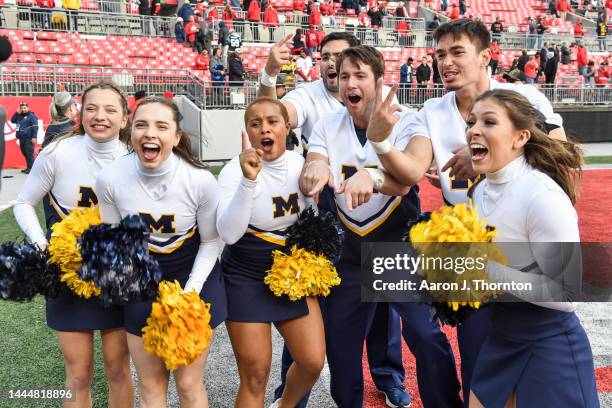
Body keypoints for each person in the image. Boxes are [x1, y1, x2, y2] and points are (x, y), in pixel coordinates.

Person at [365, 18, 567, 404]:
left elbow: (563, 158)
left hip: (518, 243)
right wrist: (380, 143)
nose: (446, 62)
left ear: (486, 56)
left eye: (458, 52)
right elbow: (410, 170)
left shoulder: (523, 97)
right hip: (467, 251)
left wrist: (491, 153)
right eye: (440, 54)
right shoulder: (432, 109)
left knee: (527, 369)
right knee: (478, 363)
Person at [257, 31, 413, 408]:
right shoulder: (310, 99)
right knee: (315, 307)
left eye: (345, 61)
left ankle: (388, 376)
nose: (335, 66)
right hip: (326, 211)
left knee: (384, 313)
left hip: (380, 219)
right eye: (328, 58)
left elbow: (409, 174)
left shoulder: (391, 106)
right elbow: (271, 117)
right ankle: (291, 392)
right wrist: (269, 75)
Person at [301, 45, 462, 408]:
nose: (349, 84)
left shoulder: (407, 119)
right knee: (341, 348)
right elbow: (316, 158)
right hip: (347, 254)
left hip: (394, 248)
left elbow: (407, 177)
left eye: (359, 75)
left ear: (379, 80)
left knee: (424, 334)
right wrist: (315, 168)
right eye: (343, 76)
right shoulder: (328, 122)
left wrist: (372, 175)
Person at [466, 89, 599, 408]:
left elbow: (566, 294)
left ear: (520, 136)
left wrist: (485, 271)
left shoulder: (543, 197)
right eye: (471, 121)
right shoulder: (479, 192)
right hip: (502, 336)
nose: (474, 129)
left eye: (489, 121)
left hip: (549, 345)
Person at [96, 96, 226, 408]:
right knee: (151, 384)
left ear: (176, 136)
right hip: (142, 286)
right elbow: (116, 239)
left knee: (188, 383)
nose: (150, 133)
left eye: (161, 126)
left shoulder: (200, 180)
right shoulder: (110, 178)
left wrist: (189, 295)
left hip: (194, 281)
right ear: (130, 132)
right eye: (141, 124)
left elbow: (211, 242)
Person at [13, 80, 133, 408]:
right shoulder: (58, 152)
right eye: (92, 108)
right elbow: (23, 203)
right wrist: (43, 246)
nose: (100, 116)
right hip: (68, 277)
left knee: (118, 369)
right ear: (80, 113)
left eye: (111, 109)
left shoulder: (136, 158)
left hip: (116, 279)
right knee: (78, 374)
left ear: (124, 118)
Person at [217, 98, 324, 408]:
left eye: (272, 121)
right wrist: (248, 180)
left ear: (286, 126)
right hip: (245, 276)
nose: (264, 128)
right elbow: (229, 234)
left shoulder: (301, 164)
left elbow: (315, 218)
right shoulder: (231, 172)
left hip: (292, 275)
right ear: (248, 131)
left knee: (312, 362)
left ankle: (284, 405)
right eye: (255, 123)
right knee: (255, 375)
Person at [10, 102, 38, 174]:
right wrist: (16, 113)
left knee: (29, 153)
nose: (23, 109)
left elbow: (35, 127)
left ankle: (32, 169)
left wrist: (34, 137)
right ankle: (29, 167)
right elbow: (12, 120)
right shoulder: (19, 115)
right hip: (21, 138)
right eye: (22, 108)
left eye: (25, 108)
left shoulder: (31, 116)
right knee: (25, 153)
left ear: (28, 108)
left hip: (28, 138)